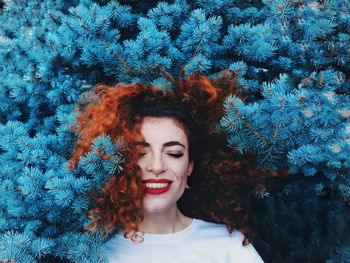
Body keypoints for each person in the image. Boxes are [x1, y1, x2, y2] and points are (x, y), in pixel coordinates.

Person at [69, 73, 270, 262]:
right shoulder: (98, 255)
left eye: (174, 153)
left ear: (190, 166)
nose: (157, 167)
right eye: (140, 153)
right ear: (120, 162)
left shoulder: (229, 245)